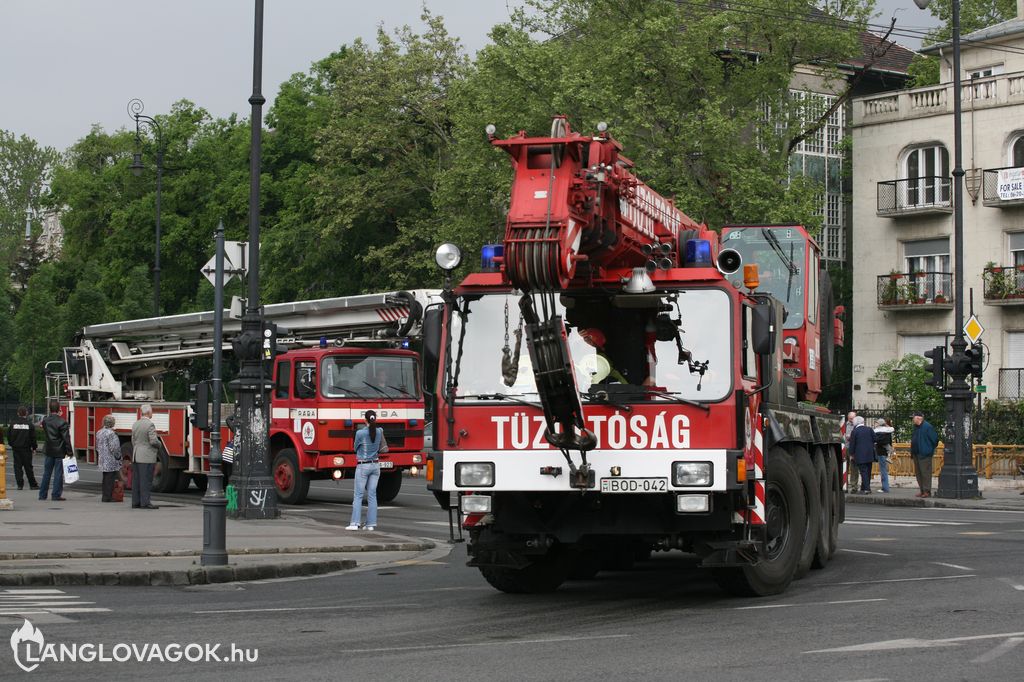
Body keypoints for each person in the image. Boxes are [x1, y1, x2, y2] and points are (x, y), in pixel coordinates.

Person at [346, 410, 387, 531]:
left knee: (358, 495)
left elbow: (355, 448)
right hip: (376, 466)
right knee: (372, 495)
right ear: (375, 419)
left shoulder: (360, 433)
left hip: (363, 466)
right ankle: (371, 525)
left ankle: (355, 523)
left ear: (365, 420)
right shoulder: (380, 431)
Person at [39, 400, 72, 502]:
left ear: (50, 409)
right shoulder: (62, 422)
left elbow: (45, 428)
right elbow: (66, 438)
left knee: (46, 473)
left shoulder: (45, 421)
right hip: (59, 451)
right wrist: (70, 452)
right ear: (59, 409)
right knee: (58, 474)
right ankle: (56, 494)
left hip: (49, 449)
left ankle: (42, 495)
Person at [131, 404, 160, 509]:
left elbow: (133, 440)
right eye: (152, 411)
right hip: (147, 456)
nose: (152, 413)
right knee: (146, 480)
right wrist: (159, 445)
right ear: (148, 412)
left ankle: (136, 502)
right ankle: (145, 502)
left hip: (136, 454)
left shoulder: (135, 424)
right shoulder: (150, 425)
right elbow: (153, 441)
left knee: (136, 480)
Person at [7, 405, 39, 490]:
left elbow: (9, 436)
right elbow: (33, 438)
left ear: (18, 413)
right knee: (28, 467)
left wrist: (12, 444)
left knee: (17, 467)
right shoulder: (29, 425)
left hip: (16, 448)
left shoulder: (13, 424)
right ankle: (33, 484)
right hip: (26, 449)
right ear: (27, 413)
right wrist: (34, 448)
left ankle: (20, 484)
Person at [910, 411, 939, 498]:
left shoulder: (927, 427)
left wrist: (928, 450)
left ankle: (927, 491)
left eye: (913, 417)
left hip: (924, 454)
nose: (912, 419)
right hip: (916, 453)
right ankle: (922, 490)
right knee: (919, 473)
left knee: (925, 473)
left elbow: (935, 440)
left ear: (919, 418)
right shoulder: (916, 427)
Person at [95, 414, 122, 502]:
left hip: (102, 458)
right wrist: (118, 457)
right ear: (112, 423)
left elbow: (97, 446)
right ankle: (108, 497)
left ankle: (105, 495)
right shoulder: (112, 433)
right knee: (110, 479)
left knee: (105, 478)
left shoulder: (99, 432)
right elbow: (114, 448)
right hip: (110, 459)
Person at [848, 415, 876, 494]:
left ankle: (867, 489)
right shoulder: (869, 429)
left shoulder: (855, 431)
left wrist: (851, 454)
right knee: (868, 472)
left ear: (856, 423)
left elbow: (852, 444)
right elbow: (875, 439)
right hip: (870, 454)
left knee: (863, 472)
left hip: (860, 455)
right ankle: (864, 488)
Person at [873, 418, 894, 493]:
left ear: (879, 424)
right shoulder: (888, 431)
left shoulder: (879, 432)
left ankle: (885, 488)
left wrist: (876, 441)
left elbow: (878, 441)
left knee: (883, 470)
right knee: (884, 470)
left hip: (881, 452)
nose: (875, 424)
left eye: (876, 423)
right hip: (885, 452)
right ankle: (885, 487)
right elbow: (889, 442)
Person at [842, 411, 859, 492]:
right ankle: (844, 486)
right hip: (845, 448)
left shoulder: (857, 426)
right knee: (844, 467)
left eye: (852, 418)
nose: (851, 420)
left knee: (854, 468)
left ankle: (854, 486)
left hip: (854, 449)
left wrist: (851, 437)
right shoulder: (844, 424)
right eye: (850, 418)